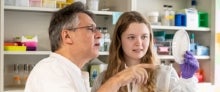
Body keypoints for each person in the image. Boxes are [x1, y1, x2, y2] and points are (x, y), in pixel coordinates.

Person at [24, 2, 157, 92]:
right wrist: (118, 80)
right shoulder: (50, 70)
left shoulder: (72, 72)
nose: (99, 35)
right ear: (67, 36)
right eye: (90, 29)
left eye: (144, 37)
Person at [92, 11, 199, 92]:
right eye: (131, 37)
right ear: (119, 40)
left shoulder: (165, 75)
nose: (139, 43)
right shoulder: (104, 79)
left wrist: (187, 80)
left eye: (144, 37)